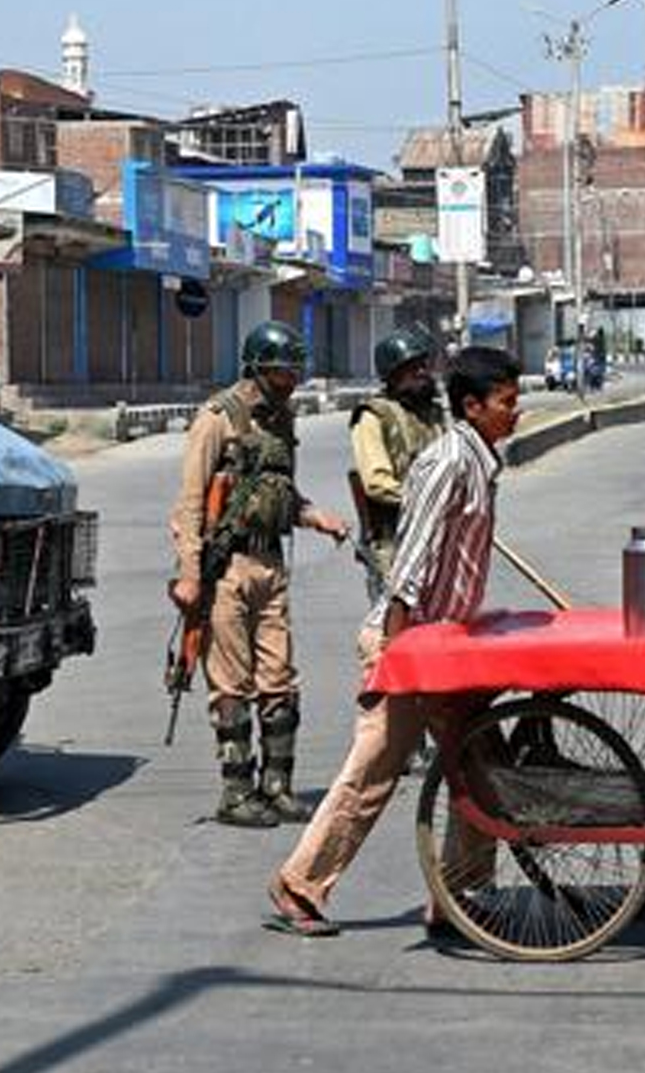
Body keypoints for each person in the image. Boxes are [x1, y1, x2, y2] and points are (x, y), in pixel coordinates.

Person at [266, 346, 523, 938]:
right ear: (472, 406)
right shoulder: (447, 462)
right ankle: (299, 885)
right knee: (373, 772)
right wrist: (399, 652)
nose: (516, 413)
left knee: (479, 764)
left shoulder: (479, 458)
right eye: (507, 403)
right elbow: (413, 555)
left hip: (446, 645)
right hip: (410, 642)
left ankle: (458, 897)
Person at [169, 322, 349, 829]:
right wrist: (189, 574)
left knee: (279, 680)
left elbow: (279, 492)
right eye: (282, 369)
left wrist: (316, 517)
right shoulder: (217, 418)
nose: (292, 378)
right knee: (232, 682)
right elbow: (188, 504)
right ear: (257, 367)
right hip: (226, 568)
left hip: (271, 563)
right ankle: (236, 791)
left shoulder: (281, 418)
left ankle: (278, 786)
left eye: (295, 369)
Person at [349, 324, 445, 601]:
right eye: (411, 367)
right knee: (394, 633)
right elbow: (377, 483)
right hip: (396, 543)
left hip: (435, 539)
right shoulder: (373, 417)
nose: (421, 373)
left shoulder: (434, 414)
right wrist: (426, 500)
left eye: (423, 365)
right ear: (392, 375)